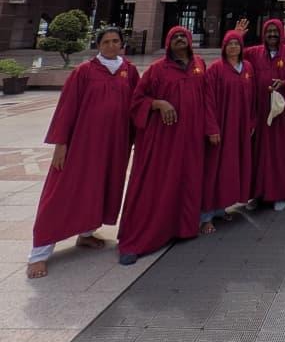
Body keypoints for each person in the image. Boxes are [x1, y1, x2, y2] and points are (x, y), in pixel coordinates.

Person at [27, 26, 139, 279]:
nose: (111, 45)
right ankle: (39, 253)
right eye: (106, 41)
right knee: (64, 191)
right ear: (98, 45)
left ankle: (86, 233)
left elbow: (137, 104)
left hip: (114, 145)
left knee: (102, 187)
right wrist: (61, 144)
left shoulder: (128, 71)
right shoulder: (84, 72)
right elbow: (67, 109)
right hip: (83, 145)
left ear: (122, 44)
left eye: (116, 41)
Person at [117, 27, 219, 264]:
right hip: (165, 139)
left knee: (188, 180)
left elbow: (208, 100)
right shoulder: (157, 69)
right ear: (168, 42)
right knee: (157, 184)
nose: (180, 40)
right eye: (175, 37)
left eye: (184, 36)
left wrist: (211, 128)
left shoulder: (199, 65)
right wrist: (158, 103)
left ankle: (182, 228)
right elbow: (137, 100)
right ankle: (142, 238)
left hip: (191, 138)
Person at [247, 18, 285, 211]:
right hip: (262, 113)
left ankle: (280, 194)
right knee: (259, 155)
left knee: (281, 155)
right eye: (269, 31)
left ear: (281, 32)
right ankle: (258, 194)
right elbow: (233, 55)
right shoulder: (254, 53)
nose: (272, 35)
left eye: (275, 31)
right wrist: (238, 35)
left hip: (282, 116)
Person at [200, 30, 256, 233]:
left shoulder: (247, 68)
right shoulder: (215, 69)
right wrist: (212, 128)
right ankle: (206, 216)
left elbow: (252, 98)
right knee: (214, 168)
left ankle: (220, 208)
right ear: (224, 47)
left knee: (231, 167)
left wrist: (251, 122)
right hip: (221, 127)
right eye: (230, 44)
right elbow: (208, 101)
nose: (233, 47)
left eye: (237, 43)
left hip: (239, 129)